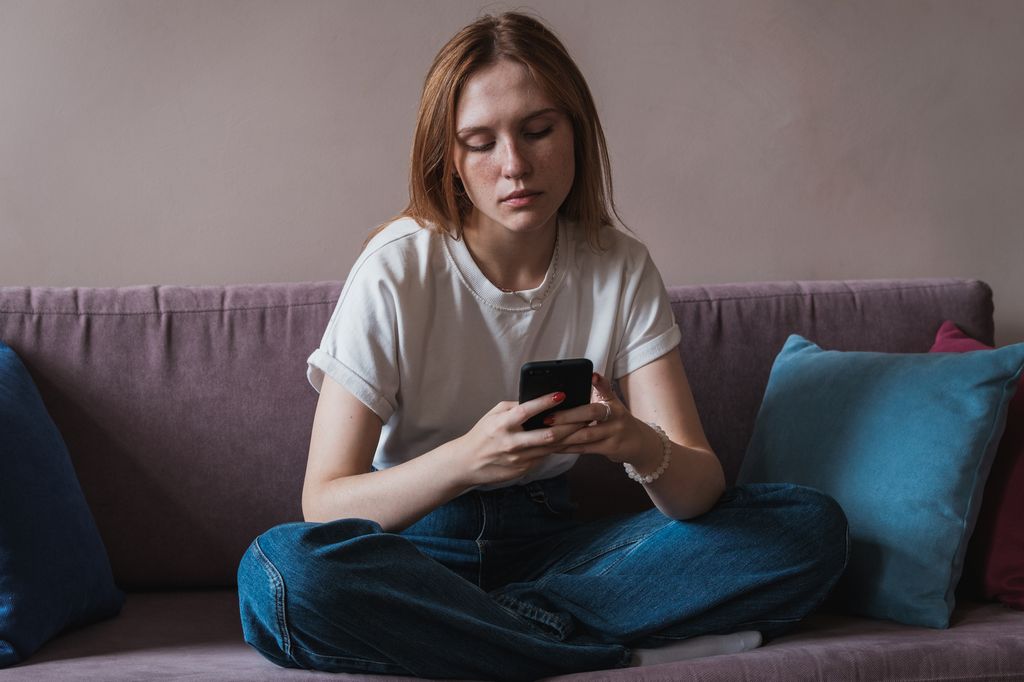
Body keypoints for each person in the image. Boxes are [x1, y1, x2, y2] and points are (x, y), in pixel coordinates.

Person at [237, 11, 848, 681]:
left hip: (558, 553)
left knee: (808, 527)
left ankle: (491, 634)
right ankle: (600, 650)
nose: (515, 165)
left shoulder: (619, 265)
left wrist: (632, 441)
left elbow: (699, 487)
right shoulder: (397, 268)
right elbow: (323, 503)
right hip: (413, 553)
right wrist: (468, 459)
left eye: (537, 131)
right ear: (452, 161)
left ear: (576, 132)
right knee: (281, 573)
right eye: (480, 142)